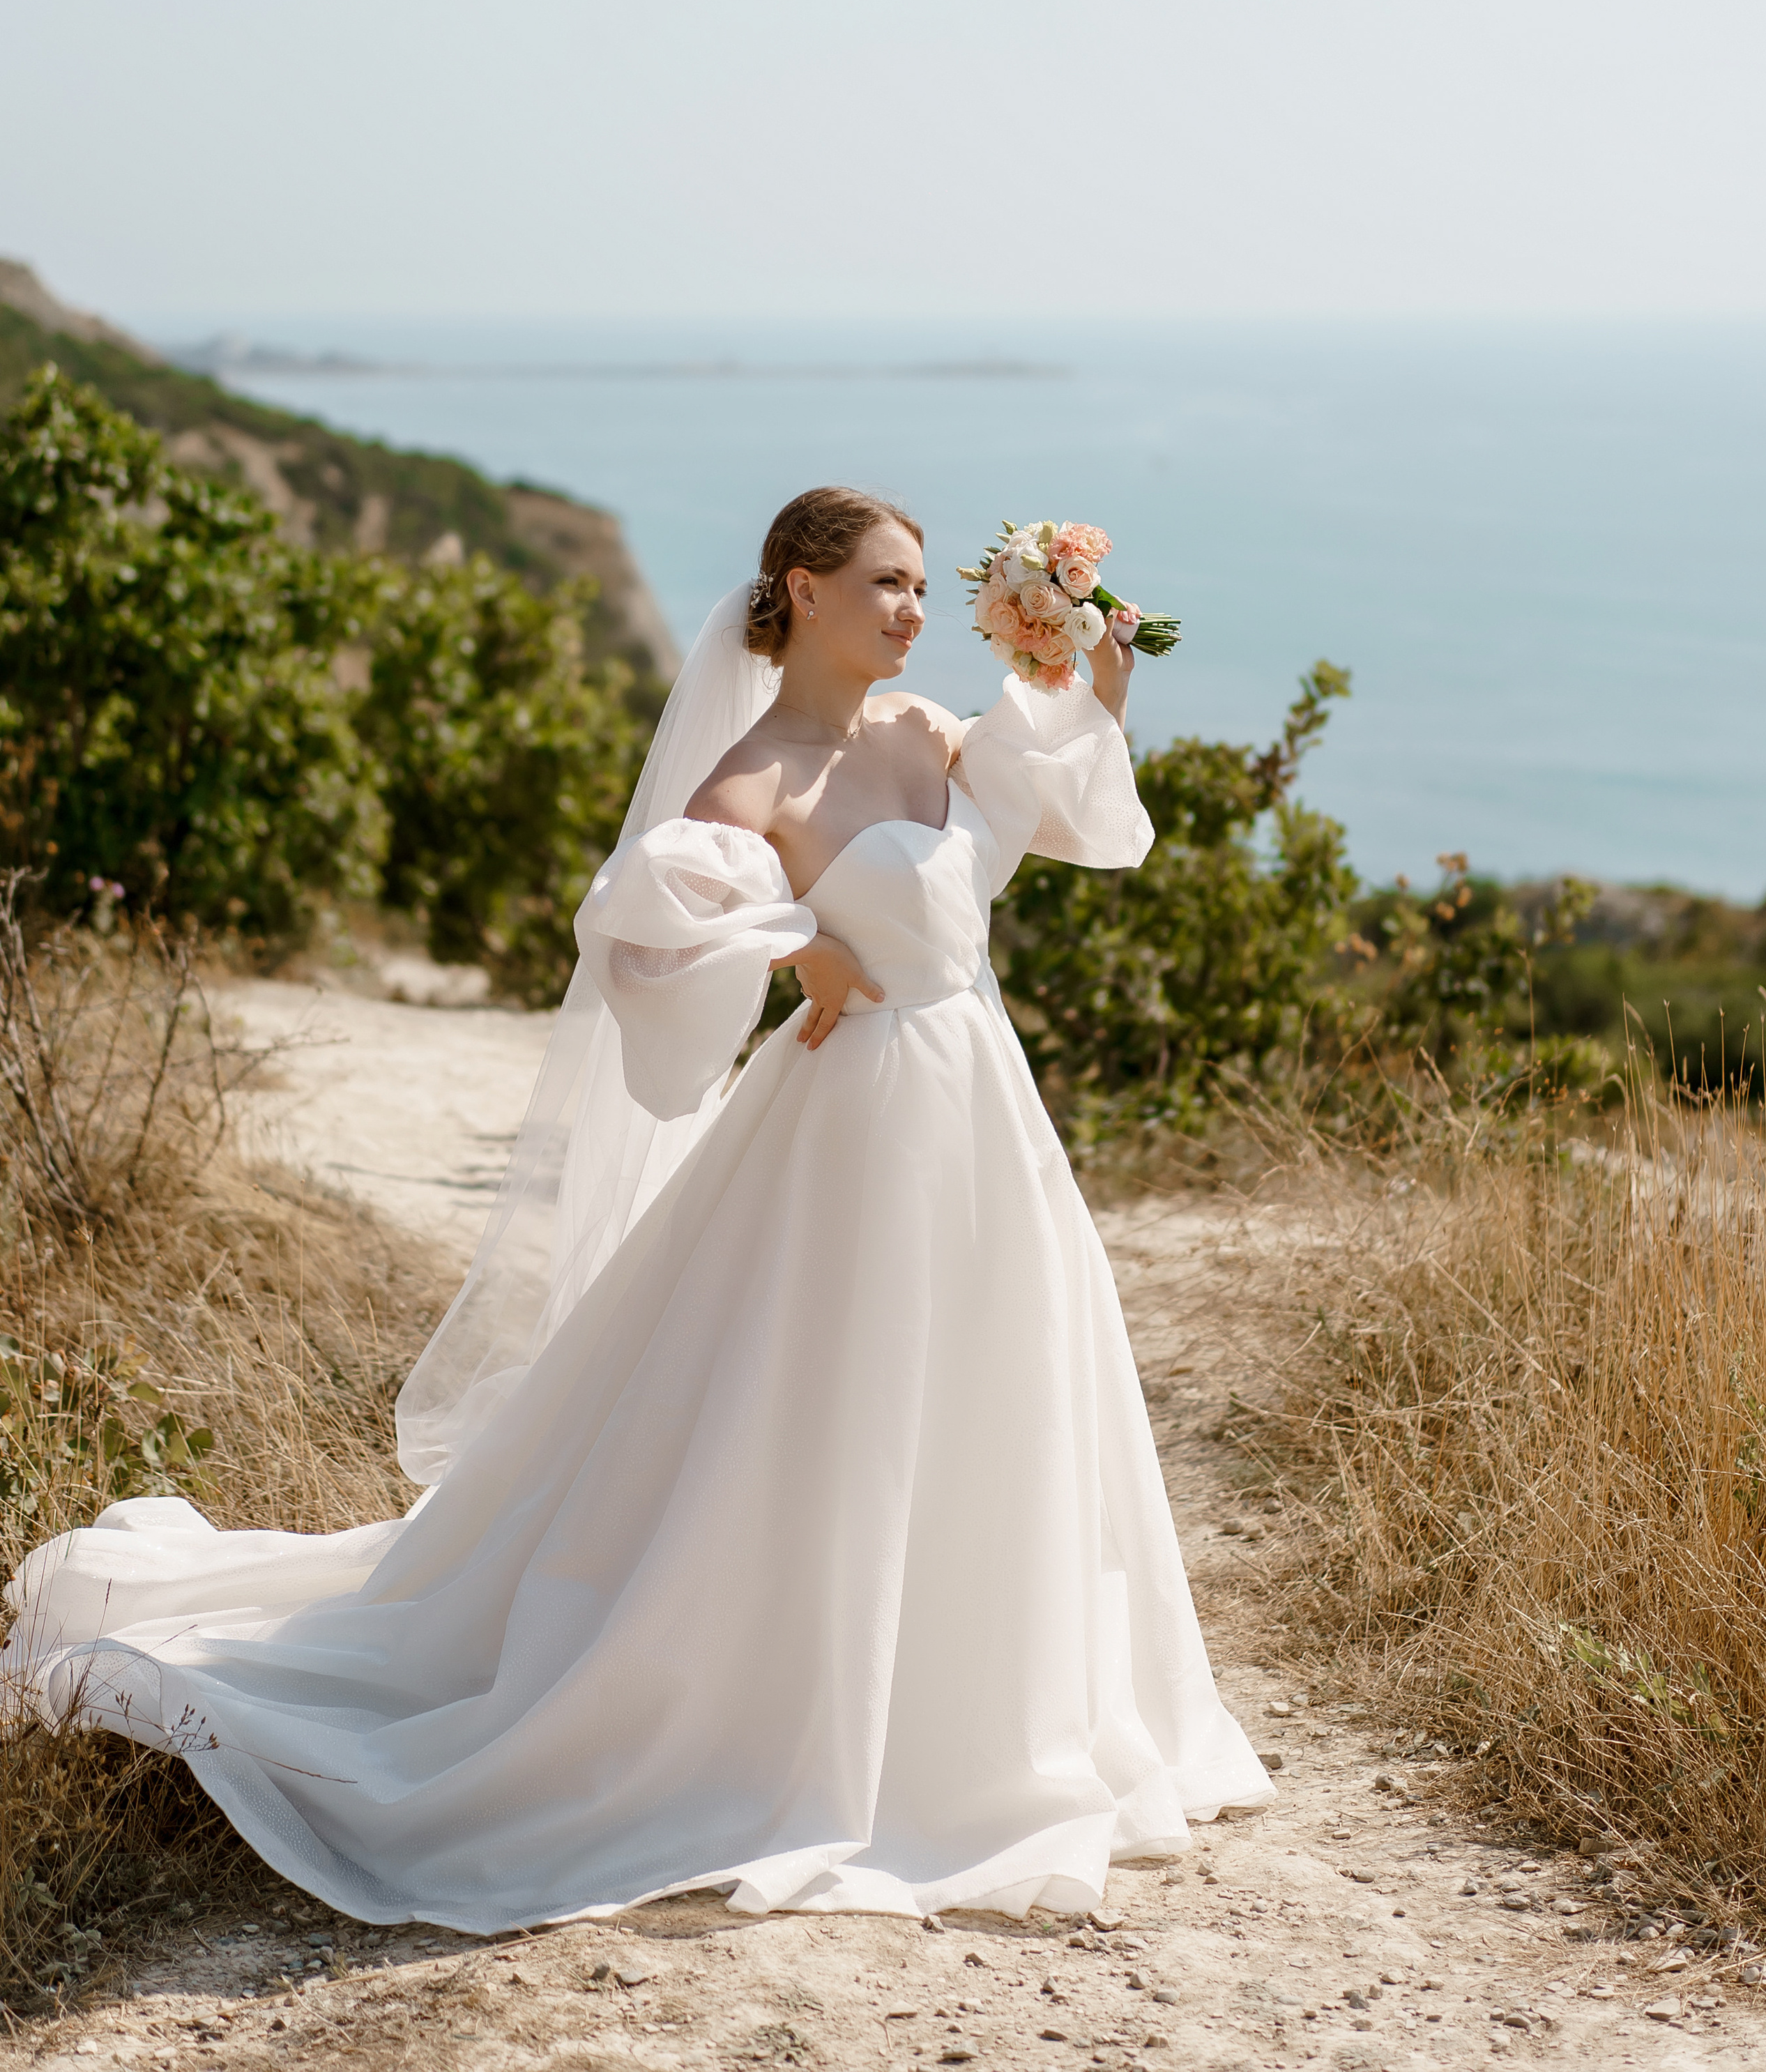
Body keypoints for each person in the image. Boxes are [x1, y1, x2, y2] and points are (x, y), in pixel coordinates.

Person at [6, 486, 1270, 1931]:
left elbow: (1059, 818)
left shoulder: (927, 734)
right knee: (829, 1419)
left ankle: (990, 1703)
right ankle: (805, 1720)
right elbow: (642, 936)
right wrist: (799, 941)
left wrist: (1085, 677)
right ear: (799, 590)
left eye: (926, 588)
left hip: (983, 1113)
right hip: (852, 1132)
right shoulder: (754, 779)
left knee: (995, 1393)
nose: (914, 613)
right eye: (884, 584)